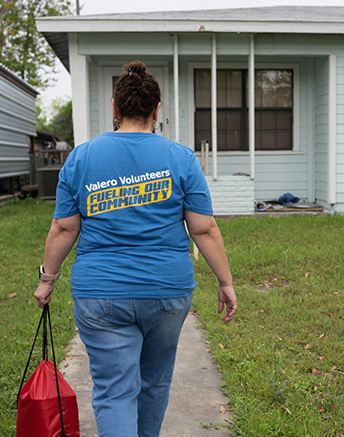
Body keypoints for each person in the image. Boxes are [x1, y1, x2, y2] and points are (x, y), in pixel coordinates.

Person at [33, 60, 237, 437]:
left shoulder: (81, 158)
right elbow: (203, 228)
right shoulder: (180, 158)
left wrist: (47, 280)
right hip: (167, 292)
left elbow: (64, 227)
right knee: (155, 383)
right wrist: (225, 282)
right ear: (157, 111)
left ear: (115, 107)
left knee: (114, 392)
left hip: (101, 296)